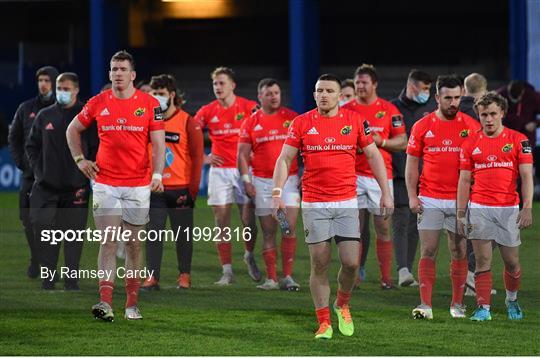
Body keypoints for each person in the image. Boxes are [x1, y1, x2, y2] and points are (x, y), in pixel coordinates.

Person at [272, 74, 393, 339]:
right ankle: (324, 321)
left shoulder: (355, 121)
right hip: (315, 203)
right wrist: (277, 192)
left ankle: (342, 303)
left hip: (347, 202)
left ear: (340, 95)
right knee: (320, 263)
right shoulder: (301, 122)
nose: (324, 95)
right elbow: (284, 158)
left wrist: (386, 192)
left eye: (329, 90)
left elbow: (373, 155)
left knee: (351, 263)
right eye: (319, 91)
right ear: (314, 94)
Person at [66, 50, 165, 321]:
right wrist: (79, 160)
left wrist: (157, 175)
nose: (117, 74)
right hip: (106, 183)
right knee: (108, 242)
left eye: (122, 69)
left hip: (137, 184)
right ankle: (105, 302)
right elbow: (72, 130)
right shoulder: (98, 102)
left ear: (132, 75)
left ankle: (132, 304)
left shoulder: (150, 104)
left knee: (133, 244)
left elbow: (158, 144)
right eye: (113, 69)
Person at [405, 75, 481, 320]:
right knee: (428, 249)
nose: (453, 102)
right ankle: (425, 305)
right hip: (429, 197)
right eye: (448, 97)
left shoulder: (471, 125)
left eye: (457, 97)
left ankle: (457, 305)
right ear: (437, 98)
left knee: (458, 250)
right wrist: (412, 197)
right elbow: (411, 165)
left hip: (460, 200)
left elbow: (478, 166)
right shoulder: (422, 126)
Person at [457, 92, 533, 321]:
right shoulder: (470, 142)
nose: (488, 119)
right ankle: (483, 308)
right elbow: (464, 180)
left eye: (492, 114)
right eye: (483, 115)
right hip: (479, 207)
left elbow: (527, 176)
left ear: (502, 113)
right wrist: (461, 213)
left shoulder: (519, 140)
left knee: (512, 262)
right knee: (482, 261)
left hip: (508, 209)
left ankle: (512, 300)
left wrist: (527, 207)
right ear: (478, 116)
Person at [25, 72, 98, 290]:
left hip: (76, 188)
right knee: (44, 231)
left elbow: (96, 148)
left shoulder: (87, 117)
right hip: (47, 187)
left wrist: (89, 169)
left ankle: (71, 279)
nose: (61, 92)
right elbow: (31, 146)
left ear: (76, 90)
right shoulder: (44, 115)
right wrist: (40, 171)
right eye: (59, 88)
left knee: (74, 236)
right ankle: (49, 276)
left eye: (66, 89)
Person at [343, 64, 407, 289]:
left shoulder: (389, 110)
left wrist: (383, 142)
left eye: (364, 82)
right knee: (356, 229)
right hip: (352, 175)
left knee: (383, 227)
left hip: (380, 178)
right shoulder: (346, 109)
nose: (360, 86)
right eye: (357, 82)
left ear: (375, 84)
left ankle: (385, 278)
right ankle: (355, 276)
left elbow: (403, 142)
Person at [194, 67, 260, 285]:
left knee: (247, 220)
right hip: (219, 172)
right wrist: (203, 158)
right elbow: (189, 134)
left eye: (222, 83)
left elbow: (264, 128)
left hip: (244, 171)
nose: (218, 87)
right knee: (221, 221)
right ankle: (227, 271)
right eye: (215, 84)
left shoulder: (249, 107)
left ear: (232, 85)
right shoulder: (206, 111)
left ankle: (249, 255)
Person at [141, 74, 204, 290]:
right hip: (155, 189)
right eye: (154, 94)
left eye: (161, 94)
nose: (157, 98)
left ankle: (184, 275)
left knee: (183, 236)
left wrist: (193, 191)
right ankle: (152, 277)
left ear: (172, 95)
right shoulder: (146, 120)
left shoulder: (187, 121)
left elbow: (197, 158)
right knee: (153, 234)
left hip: (181, 189)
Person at [238, 78, 300, 291]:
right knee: (269, 231)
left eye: (277, 92)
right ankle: (272, 279)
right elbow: (242, 155)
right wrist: (247, 181)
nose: (274, 96)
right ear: (260, 97)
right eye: (269, 93)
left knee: (288, 227)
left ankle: (288, 277)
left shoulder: (292, 118)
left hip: (289, 182)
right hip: (263, 182)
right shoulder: (251, 122)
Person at [8, 65, 58, 278]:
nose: (43, 84)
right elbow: (14, 138)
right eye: (40, 80)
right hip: (30, 176)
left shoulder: (62, 109)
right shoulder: (25, 108)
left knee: (52, 224)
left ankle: (50, 266)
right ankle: (36, 258)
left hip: (54, 178)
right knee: (27, 220)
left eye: (47, 80)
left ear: (55, 83)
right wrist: (21, 163)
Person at [390, 69, 437, 286]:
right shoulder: (393, 108)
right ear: (412, 86)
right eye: (425, 88)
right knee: (400, 221)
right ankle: (402, 270)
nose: (426, 92)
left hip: (426, 176)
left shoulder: (431, 109)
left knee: (415, 224)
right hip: (400, 173)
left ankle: (407, 269)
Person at [497, 81, 540, 191]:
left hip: (526, 139)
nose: (514, 101)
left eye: (517, 98)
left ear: (522, 93)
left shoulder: (533, 96)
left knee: (525, 168)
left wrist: (535, 123)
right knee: (507, 167)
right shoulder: (501, 94)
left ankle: (523, 200)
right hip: (506, 138)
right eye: (512, 98)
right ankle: (506, 194)